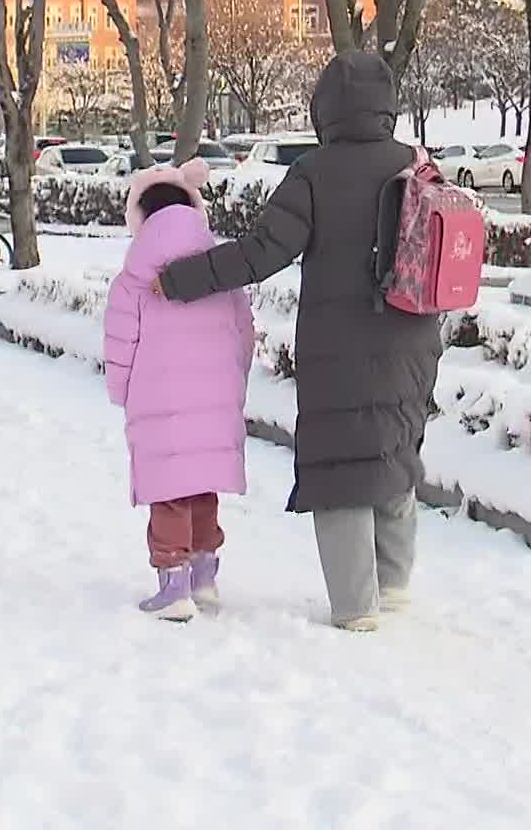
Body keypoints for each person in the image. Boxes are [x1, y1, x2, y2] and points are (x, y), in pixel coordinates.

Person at [155, 52, 440, 632]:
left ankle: (357, 605)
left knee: (343, 467)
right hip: (413, 337)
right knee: (393, 452)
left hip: (339, 347)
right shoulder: (416, 165)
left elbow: (262, 254)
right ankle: (395, 584)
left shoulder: (315, 172)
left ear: (326, 110)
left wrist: (180, 278)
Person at [104, 157, 253, 622]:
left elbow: (120, 345)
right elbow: (244, 335)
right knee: (202, 484)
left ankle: (174, 586)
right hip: (216, 400)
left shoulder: (132, 281)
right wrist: (234, 383)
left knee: (169, 490)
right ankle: (205, 578)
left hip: (158, 402)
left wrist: (122, 391)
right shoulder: (219, 271)